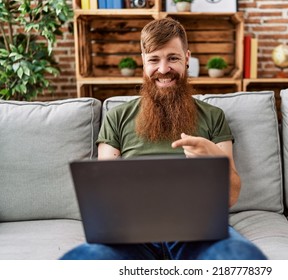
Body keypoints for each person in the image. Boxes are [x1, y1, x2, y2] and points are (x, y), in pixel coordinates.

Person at [60, 17, 266, 260]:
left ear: (187, 58)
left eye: (173, 58)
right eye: (154, 59)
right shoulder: (117, 117)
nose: (164, 69)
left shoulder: (213, 116)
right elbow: (105, 199)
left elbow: (231, 198)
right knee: (84, 261)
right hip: (131, 231)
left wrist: (215, 159)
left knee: (240, 256)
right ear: (143, 63)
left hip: (197, 228)